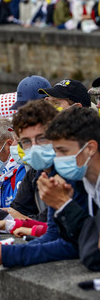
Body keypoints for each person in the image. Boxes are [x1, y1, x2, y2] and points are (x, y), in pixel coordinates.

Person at [0, 100, 87, 270]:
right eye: (26, 142)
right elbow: (54, 232)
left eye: (41, 138)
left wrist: (6, 253)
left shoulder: (70, 172)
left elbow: (73, 243)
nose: (35, 148)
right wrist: (11, 232)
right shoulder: (43, 172)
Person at [38, 107, 100, 270]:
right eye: (55, 152)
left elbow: (92, 255)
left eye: (63, 151)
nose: (57, 159)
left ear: (90, 148)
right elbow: (75, 242)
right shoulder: (84, 183)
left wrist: (64, 205)